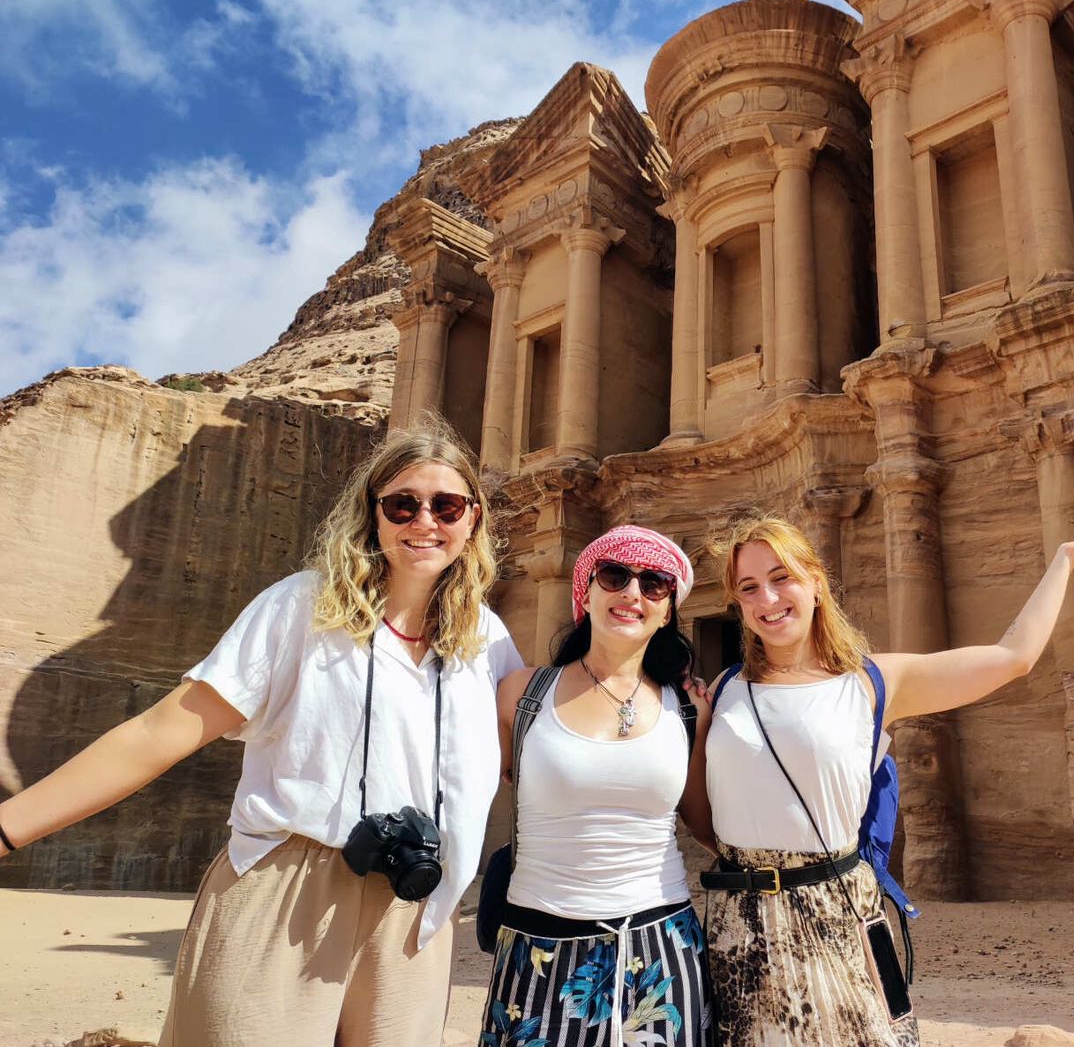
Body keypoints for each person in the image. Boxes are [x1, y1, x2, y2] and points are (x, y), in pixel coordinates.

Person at [0, 423, 526, 1046]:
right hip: (287, 885)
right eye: (402, 504)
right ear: (373, 513)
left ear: (472, 519)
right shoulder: (303, 608)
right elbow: (160, 731)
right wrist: (8, 828)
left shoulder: (486, 642)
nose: (424, 521)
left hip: (416, 905)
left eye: (447, 506)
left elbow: (555, 753)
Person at [698, 515, 1074, 1047]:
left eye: (782, 577)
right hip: (740, 924)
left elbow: (1012, 658)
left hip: (837, 913)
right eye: (749, 587)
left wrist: (1065, 561)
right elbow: (700, 809)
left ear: (816, 583)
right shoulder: (724, 690)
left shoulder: (872, 682)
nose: (768, 598)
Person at [481, 525, 714, 1047]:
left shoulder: (688, 709)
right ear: (585, 594)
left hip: (661, 946)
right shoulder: (521, 694)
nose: (632, 592)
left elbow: (705, 824)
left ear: (668, 611)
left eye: (653, 584)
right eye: (614, 575)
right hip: (538, 945)